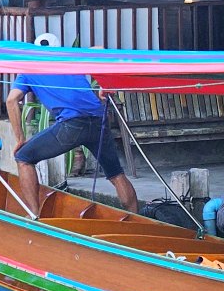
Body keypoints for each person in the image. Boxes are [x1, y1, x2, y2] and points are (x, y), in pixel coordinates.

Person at [7, 35, 138, 218]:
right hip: (98, 120)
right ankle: (136, 219)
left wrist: (20, 139)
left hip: (72, 125)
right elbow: (100, 49)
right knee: (116, 174)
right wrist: (105, 83)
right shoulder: (70, 57)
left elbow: (11, 100)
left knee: (23, 157)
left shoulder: (29, 68)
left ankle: (34, 215)